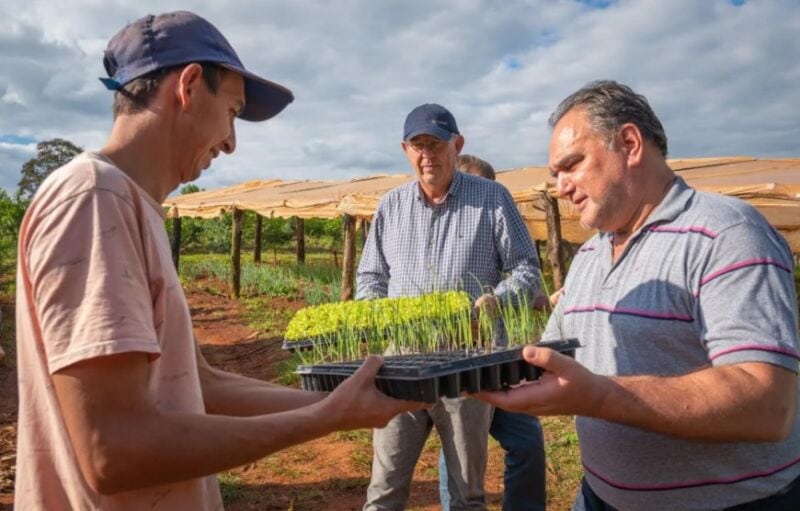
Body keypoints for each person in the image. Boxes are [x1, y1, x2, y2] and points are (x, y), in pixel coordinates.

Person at [14, 11, 423, 510]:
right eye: (232, 111)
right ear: (187, 86)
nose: (230, 142)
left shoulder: (130, 206)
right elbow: (113, 450)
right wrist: (321, 421)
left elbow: (198, 384)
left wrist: (336, 402)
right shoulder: (96, 199)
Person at [477, 80, 800, 511]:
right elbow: (557, 357)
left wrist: (602, 396)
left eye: (571, 165)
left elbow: (768, 405)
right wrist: (469, 367)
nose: (561, 187)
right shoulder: (592, 251)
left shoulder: (727, 234)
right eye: (556, 174)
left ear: (629, 144)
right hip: (600, 497)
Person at [357, 104, 542, 510]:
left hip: (467, 369)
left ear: (457, 145)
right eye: (418, 145)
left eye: (436, 144)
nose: (428, 155)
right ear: (406, 149)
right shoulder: (391, 206)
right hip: (400, 368)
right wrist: (377, 313)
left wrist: (499, 300)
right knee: (384, 489)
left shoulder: (492, 198)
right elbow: (370, 278)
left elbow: (527, 268)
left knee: (467, 493)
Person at [437, 154, 547, 511]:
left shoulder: (496, 218)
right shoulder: (442, 232)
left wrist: (525, 298)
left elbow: (521, 275)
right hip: (460, 365)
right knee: (459, 454)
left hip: (500, 363)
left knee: (527, 442)